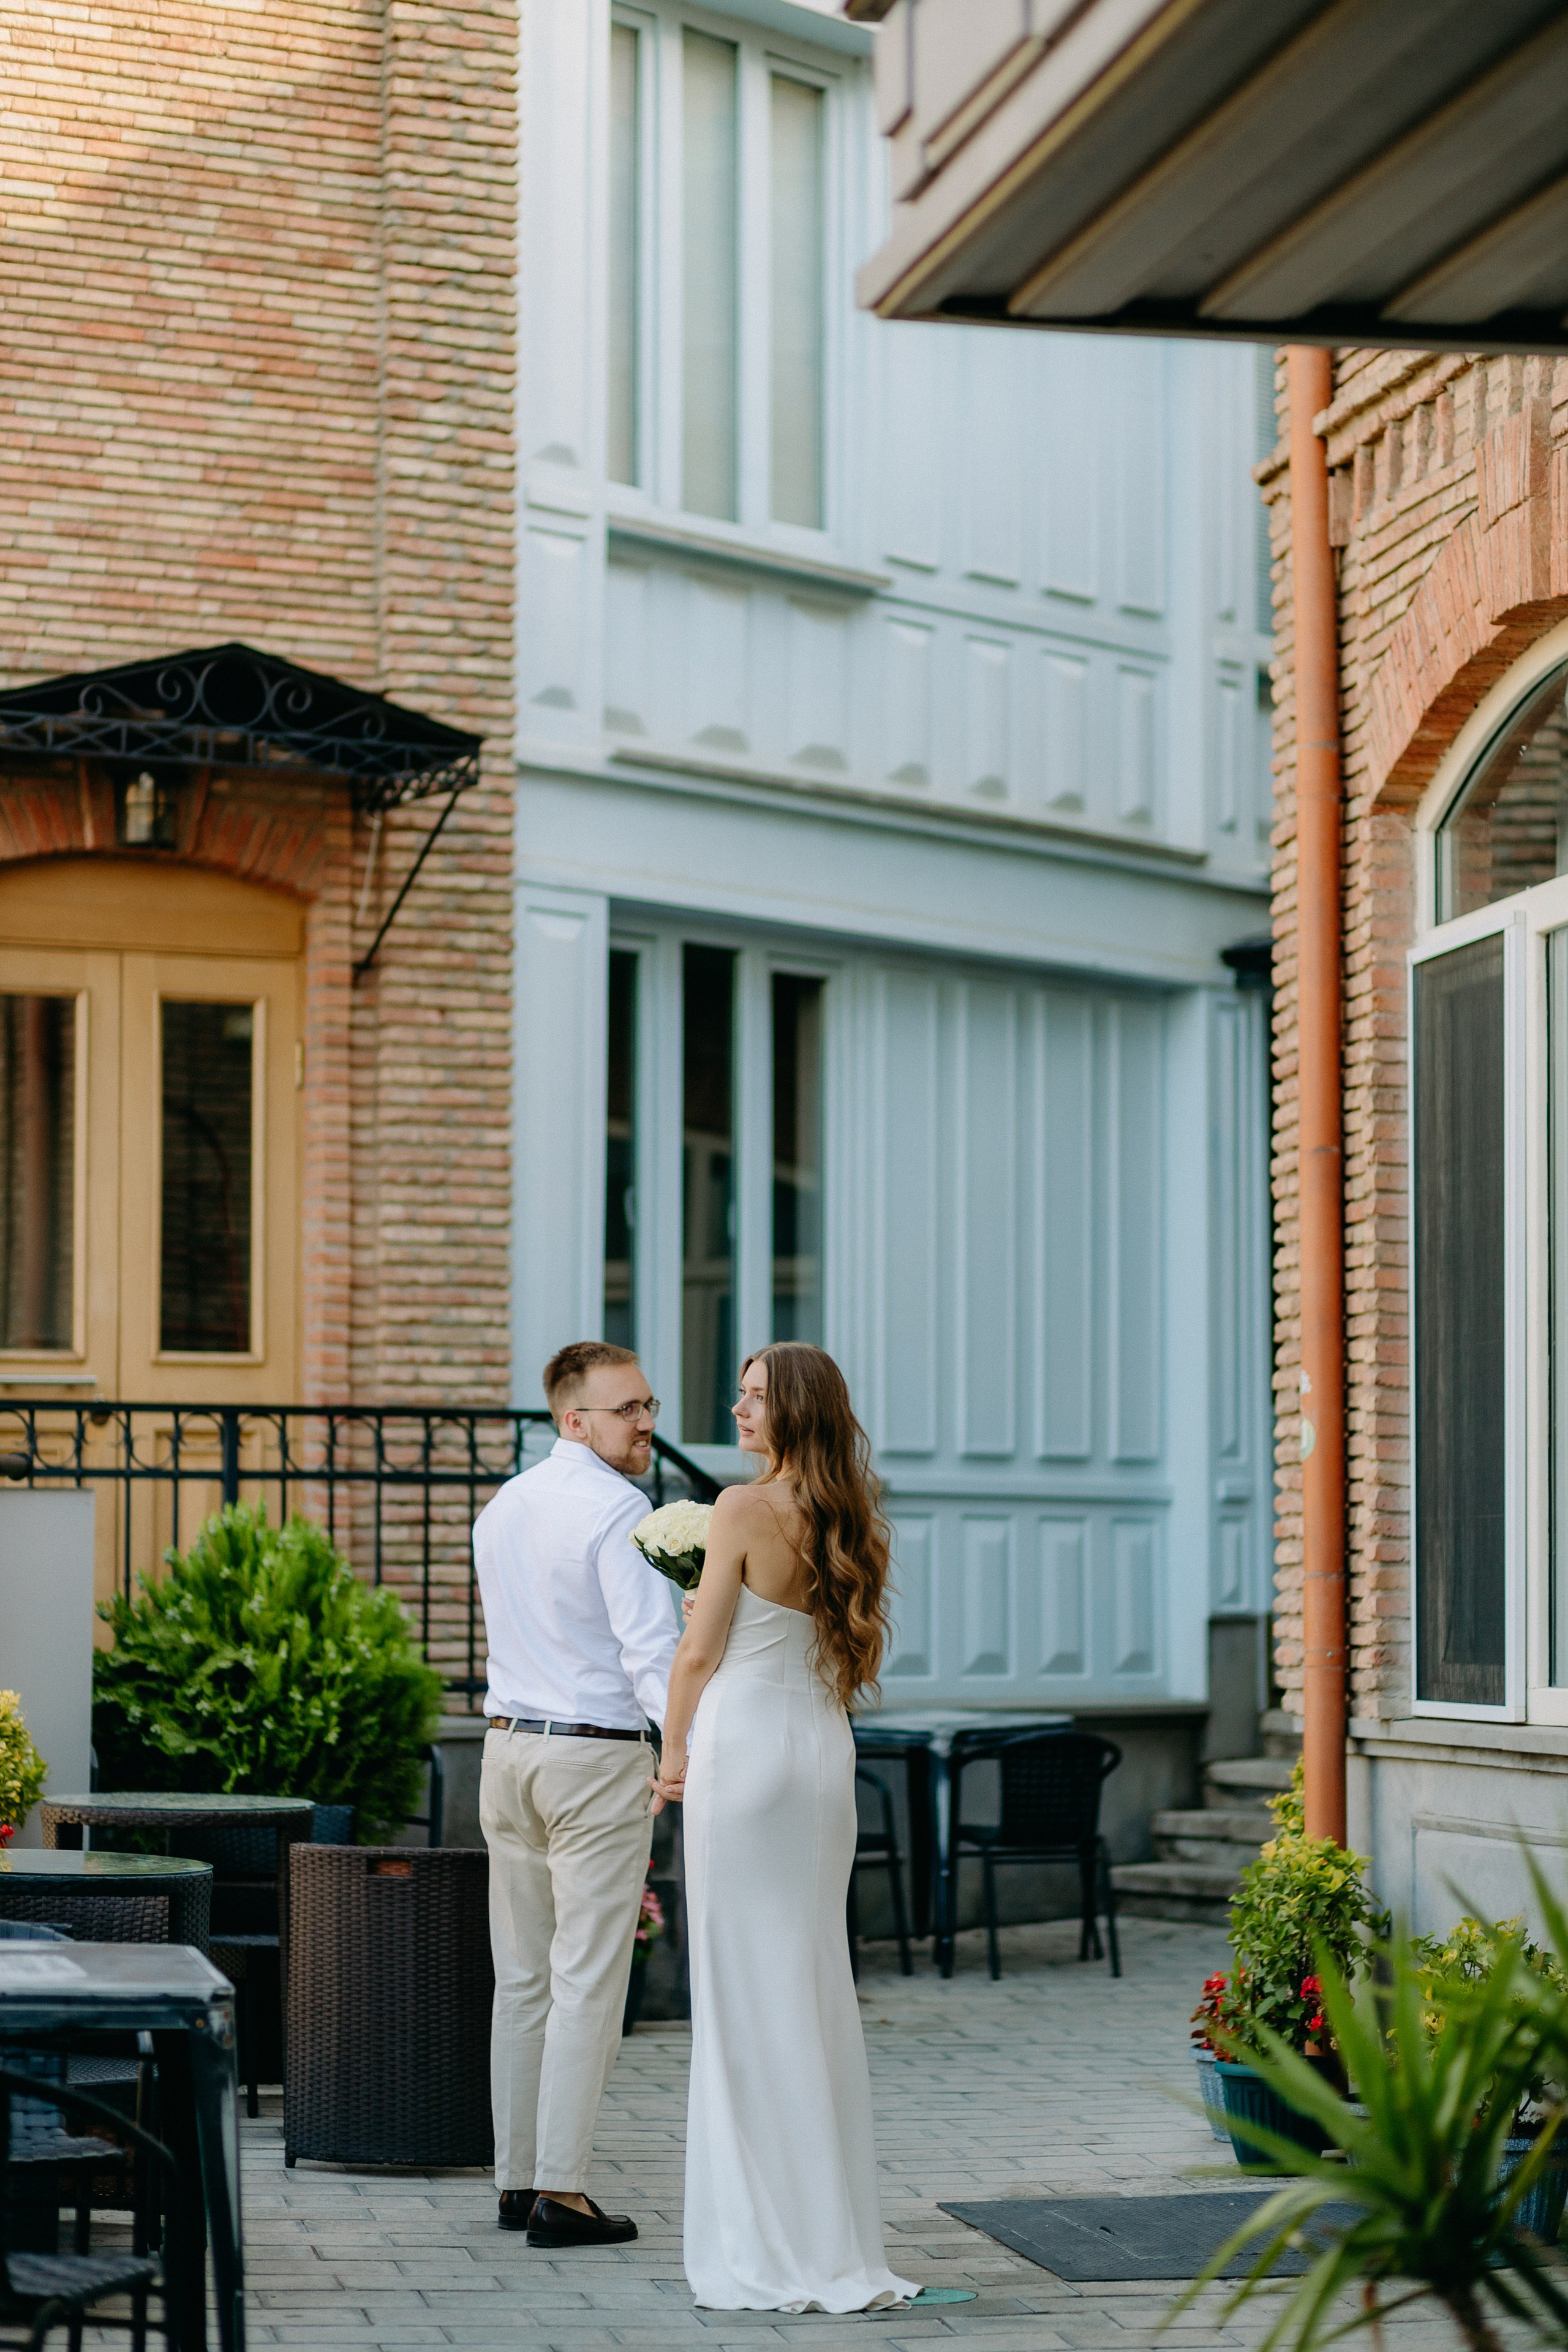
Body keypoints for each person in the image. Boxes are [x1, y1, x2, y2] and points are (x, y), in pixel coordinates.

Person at [650, 1342, 921, 2313]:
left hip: (744, 1752)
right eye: (740, 1393)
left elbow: (697, 1655)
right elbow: (794, 1633)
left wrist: (671, 1757)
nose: (738, 1410)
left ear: (797, 1410)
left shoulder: (740, 1508)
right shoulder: (847, 1513)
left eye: (758, 1398)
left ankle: (765, 2240)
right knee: (811, 1986)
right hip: (820, 1755)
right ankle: (832, 2234)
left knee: (741, 1997)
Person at [474, 1340, 679, 2248]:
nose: (646, 1424)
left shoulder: (503, 1506)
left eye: (648, 1406)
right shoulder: (619, 1509)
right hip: (593, 1762)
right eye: (627, 1409)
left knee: (521, 1979)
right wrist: (688, 1749)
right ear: (576, 1421)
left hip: (507, 1754)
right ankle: (563, 2189)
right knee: (585, 1979)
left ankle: (517, 2181)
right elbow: (650, 1652)